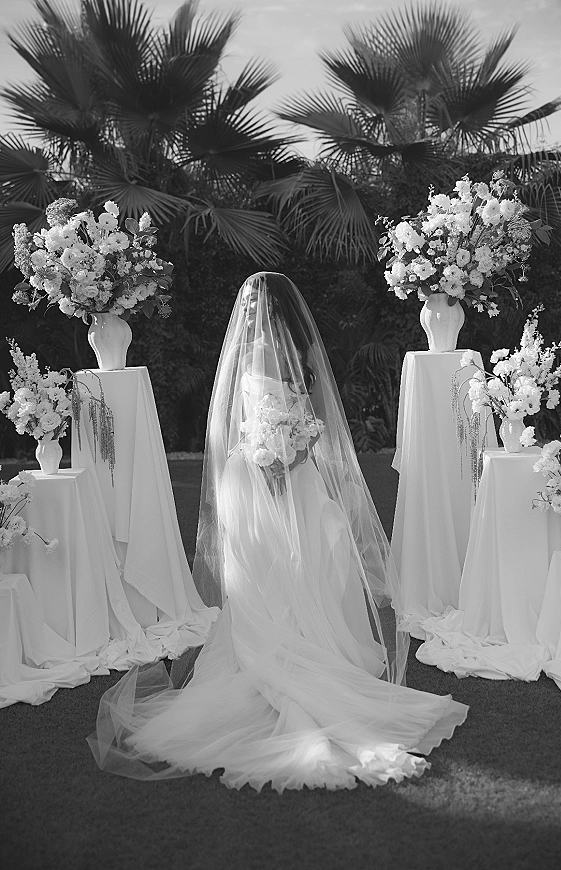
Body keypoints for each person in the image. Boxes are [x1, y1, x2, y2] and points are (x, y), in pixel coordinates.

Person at [88, 272, 468, 791]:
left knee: (299, 559)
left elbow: (300, 420)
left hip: (282, 472)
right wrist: (275, 454)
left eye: (253, 306)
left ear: (268, 310)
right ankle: (278, 643)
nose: (246, 314)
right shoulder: (270, 352)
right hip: (259, 473)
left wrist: (288, 453)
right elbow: (253, 421)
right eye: (246, 307)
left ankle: (301, 645)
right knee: (270, 568)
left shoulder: (279, 353)